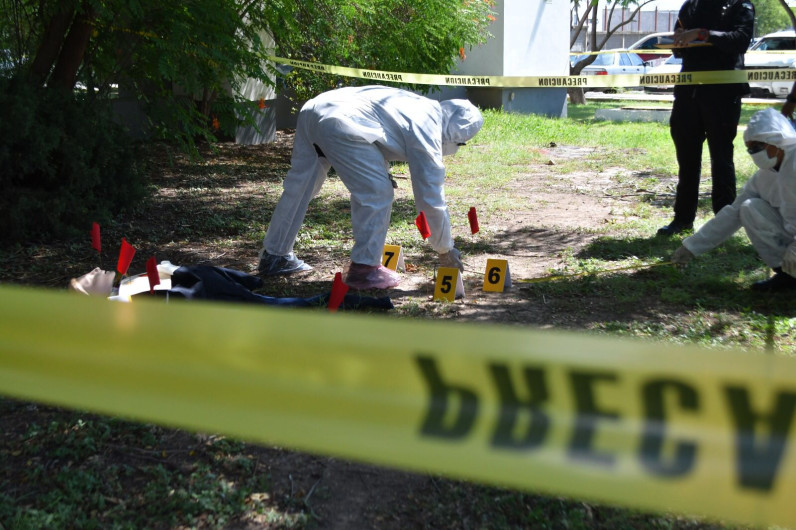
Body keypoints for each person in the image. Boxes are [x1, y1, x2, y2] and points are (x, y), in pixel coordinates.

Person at [257, 85, 483, 290]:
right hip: (341, 121)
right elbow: (430, 195)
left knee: (300, 187)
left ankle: (275, 255)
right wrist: (445, 249)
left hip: (315, 109)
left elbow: (376, 135)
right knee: (377, 193)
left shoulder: (421, 108)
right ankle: (364, 269)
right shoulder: (429, 129)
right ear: (457, 135)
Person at [656, 0, 755, 236]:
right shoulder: (690, 6)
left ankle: (724, 222)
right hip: (689, 91)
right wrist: (678, 40)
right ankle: (682, 219)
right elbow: (678, 48)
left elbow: (740, 40)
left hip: (723, 91)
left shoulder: (740, 5)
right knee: (687, 159)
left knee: (721, 158)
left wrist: (702, 34)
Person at [671, 108, 796, 292]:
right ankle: (788, 277)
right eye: (750, 149)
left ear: (775, 141)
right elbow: (732, 214)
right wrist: (691, 247)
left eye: (757, 147)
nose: (754, 153)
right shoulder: (762, 178)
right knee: (748, 208)